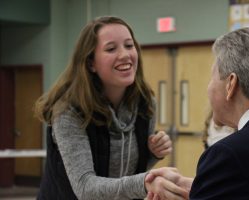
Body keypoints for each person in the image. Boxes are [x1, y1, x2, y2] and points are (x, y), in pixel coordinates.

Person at [146, 27, 249, 200]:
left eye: (212, 77)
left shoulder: (229, 154)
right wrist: (201, 186)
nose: (209, 87)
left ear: (231, 84)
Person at [34, 16, 178, 200]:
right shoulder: (68, 111)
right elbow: (85, 187)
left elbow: (127, 172)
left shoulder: (145, 102)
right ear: (91, 63)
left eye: (129, 45)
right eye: (111, 48)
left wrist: (152, 154)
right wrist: (145, 183)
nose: (125, 55)